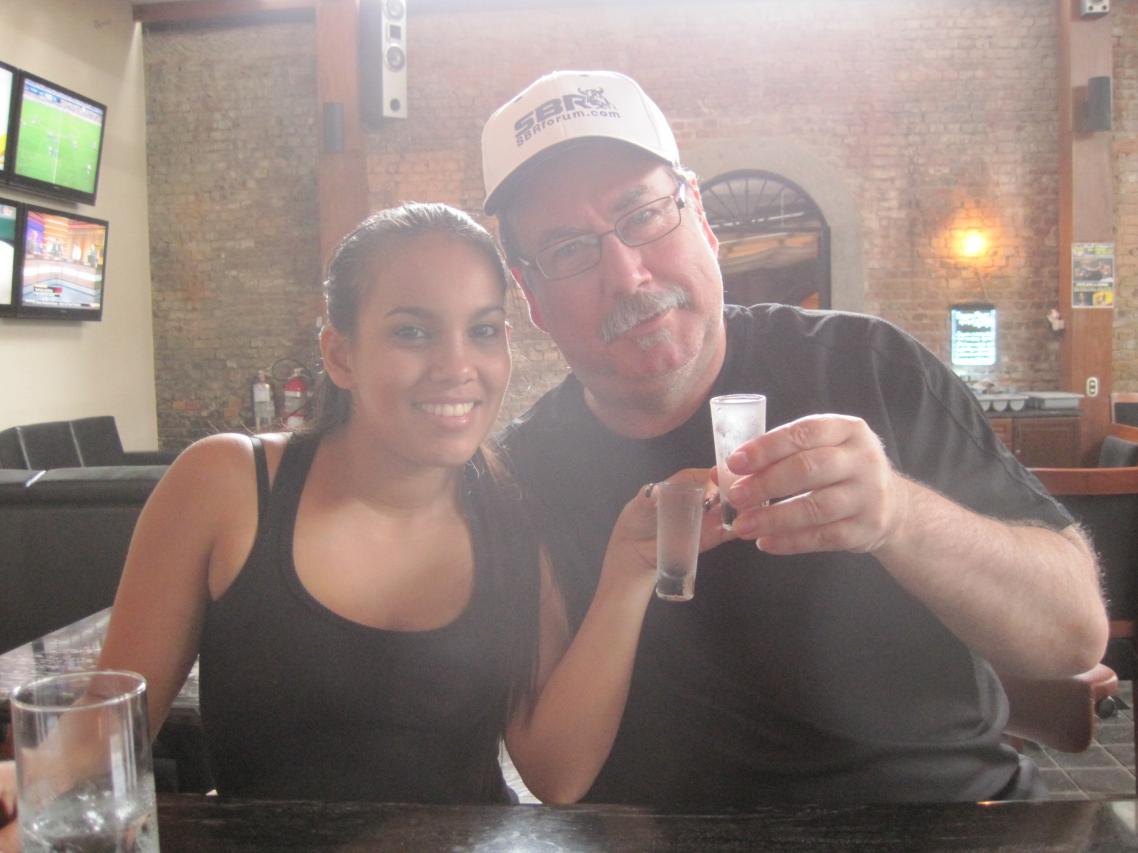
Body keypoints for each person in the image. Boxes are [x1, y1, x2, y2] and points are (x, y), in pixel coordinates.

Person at [0, 201, 727, 839]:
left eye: (483, 330)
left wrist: (629, 571)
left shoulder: (512, 507)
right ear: (341, 354)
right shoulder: (225, 486)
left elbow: (556, 773)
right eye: (412, 332)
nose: (457, 365)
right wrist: (22, 785)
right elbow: (103, 737)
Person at [480, 70, 1108, 806]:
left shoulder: (869, 366)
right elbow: (550, 769)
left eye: (643, 215)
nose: (626, 273)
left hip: (949, 819)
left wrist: (899, 517)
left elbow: (1074, 633)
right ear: (532, 298)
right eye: (567, 251)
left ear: (701, 217)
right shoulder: (522, 475)